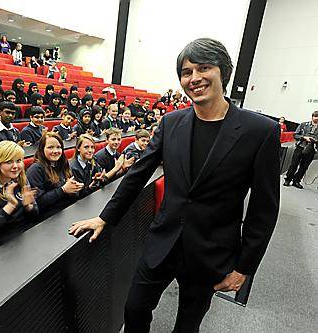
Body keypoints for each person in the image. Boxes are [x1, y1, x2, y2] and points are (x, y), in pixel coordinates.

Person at [69, 38, 281, 333]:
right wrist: (105, 217)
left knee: (187, 326)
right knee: (134, 309)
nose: (193, 78)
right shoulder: (171, 123)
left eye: (203, 68)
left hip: (210, 250)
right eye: (186, 72)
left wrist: (244, 267)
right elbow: (137, 174)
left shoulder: (261, 131)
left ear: (224, 72)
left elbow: (264, 209)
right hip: (162, 241)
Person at [27, 132, 83, 217]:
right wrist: (63, 190)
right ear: (42, 149)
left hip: (68, 210)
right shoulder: (35, 169)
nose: (56, 151)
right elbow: (38, 203)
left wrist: (75, 188)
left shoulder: (63, 164)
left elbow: (72, 194)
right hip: (49, 218)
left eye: (59, 147)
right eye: (50, 147)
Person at [283, 111, 318, 189]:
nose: (316, 118)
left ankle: (296, 181)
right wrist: (304, 138)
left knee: (304, 166)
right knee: (294, 164)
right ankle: (288, 179)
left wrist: (314, 140)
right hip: (300, 147)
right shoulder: (303, 124)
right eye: (315, 116)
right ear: (312, 117)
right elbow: (295, 135)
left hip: (311, 149)